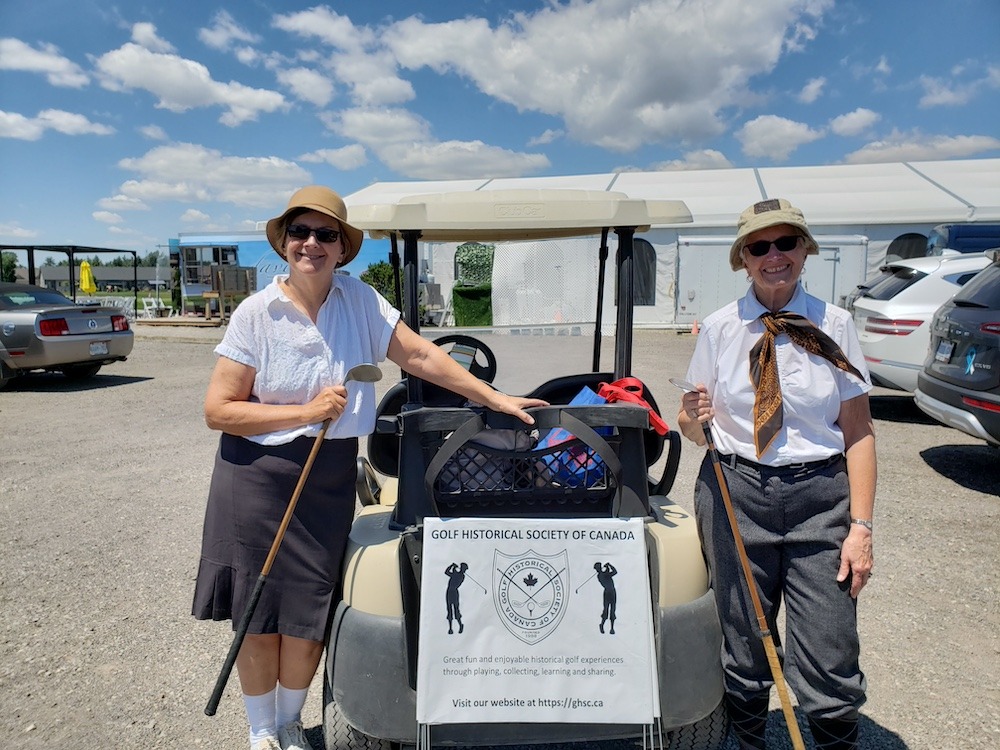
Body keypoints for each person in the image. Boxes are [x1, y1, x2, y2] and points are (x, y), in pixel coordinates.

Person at [192, 185, 547, 750]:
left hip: (328, 471)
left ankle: (288, 723)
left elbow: (422, 356)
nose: (312, 243)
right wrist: (308, 411)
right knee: (258, 613)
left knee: (310, 607)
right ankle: (261, 731)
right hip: (255, 475)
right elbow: (219, 410)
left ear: (342, 248)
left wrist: (493, 399)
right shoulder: (256, 312)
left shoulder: (360, 301)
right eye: (301, 232)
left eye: (325, 234)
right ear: (284, 243)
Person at [676, 199, 875, 750]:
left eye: (786, 243)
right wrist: (692, 420)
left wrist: (861, 527)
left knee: (831, 649)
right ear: (743, 259)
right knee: (744, 644)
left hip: (820, 498)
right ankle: (749, 742)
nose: (774, 256)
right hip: (736, 492)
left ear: (805, 251)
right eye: (759, 247)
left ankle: (833, 735)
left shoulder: (833, 325)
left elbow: (858, 432)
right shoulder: (719, 328)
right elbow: (695, 427)